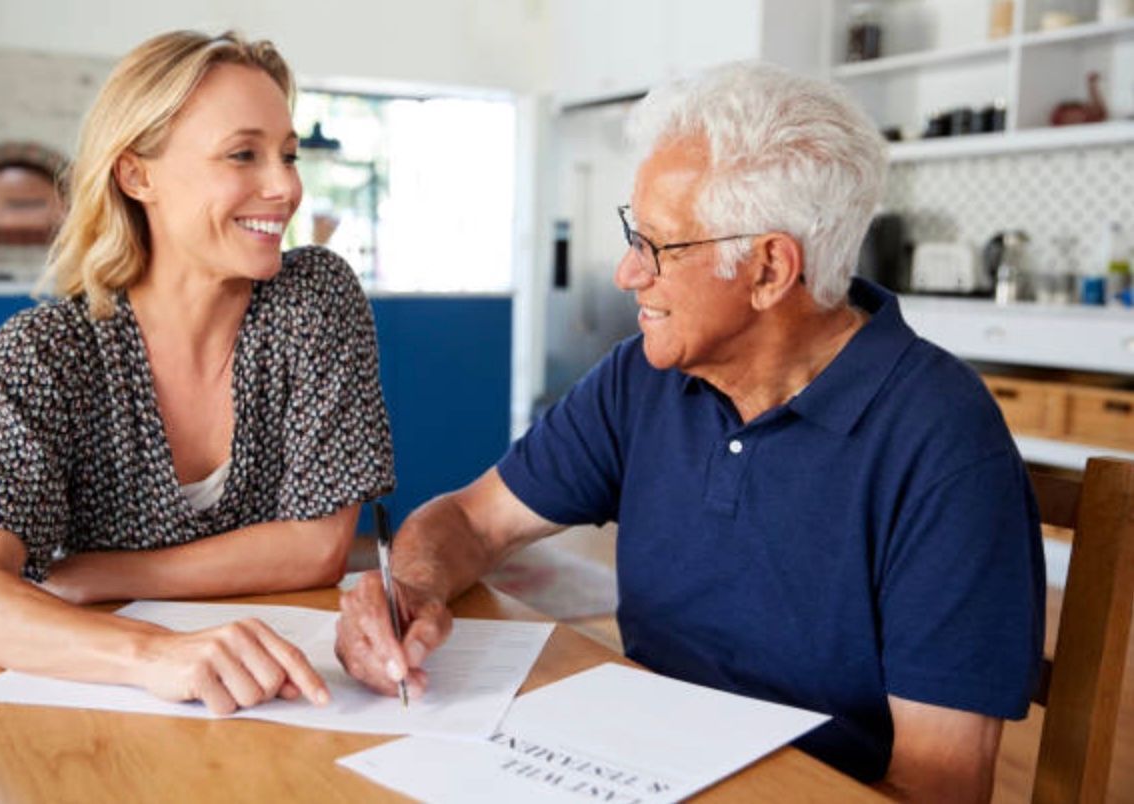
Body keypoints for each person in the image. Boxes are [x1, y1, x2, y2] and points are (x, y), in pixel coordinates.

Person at [335, 62, 1044, 801]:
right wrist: (409, 589)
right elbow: (472, 521)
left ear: (770, 268)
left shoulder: (944, 444)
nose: (625, 272)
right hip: (628, 763)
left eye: (658, 246)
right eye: (630, 234)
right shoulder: (641, 379)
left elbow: (941, 787)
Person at [0, 30, 395, 716]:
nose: (286, 186)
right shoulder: (46, 353)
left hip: (281, 704)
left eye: (288, 155)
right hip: (97, 716)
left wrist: (95, 574)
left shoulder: (313, 298)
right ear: (137, 175)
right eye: (244, 154)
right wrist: (153, 653)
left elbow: (318, 545)